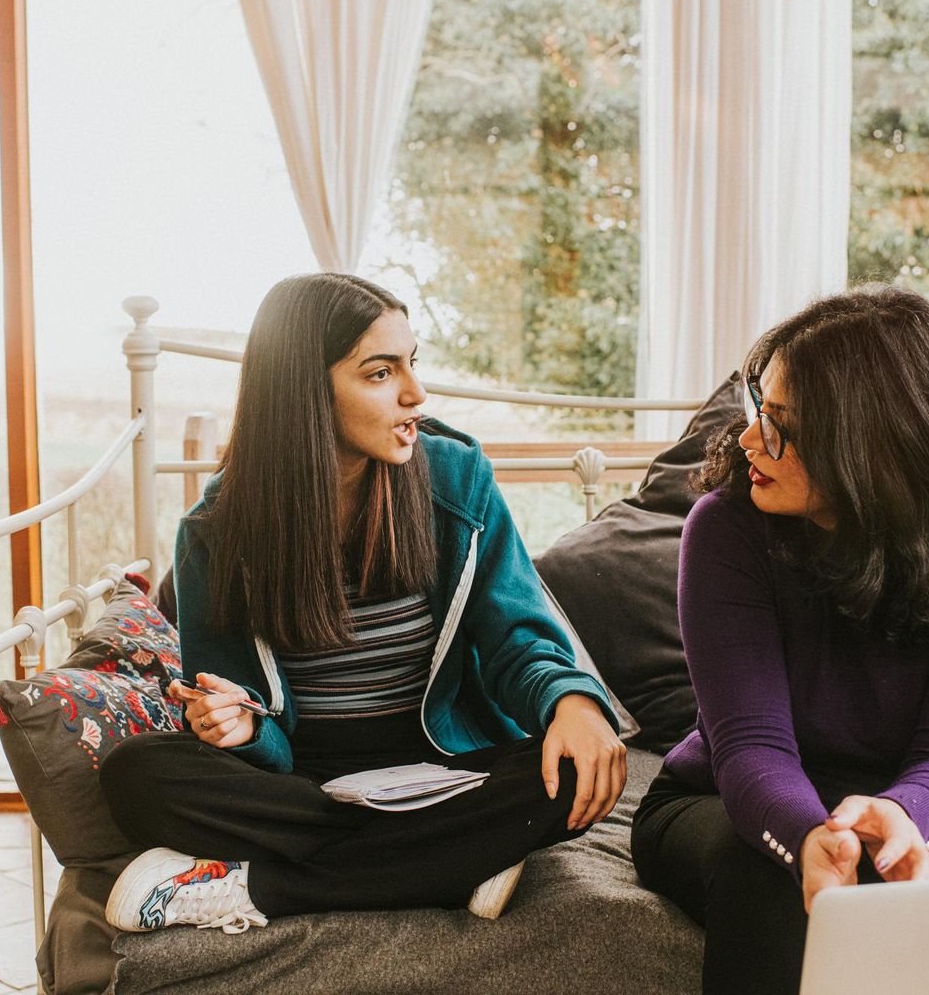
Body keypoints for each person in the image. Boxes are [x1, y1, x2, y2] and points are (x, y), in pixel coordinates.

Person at [100, 272, 627, 934]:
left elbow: (516, 640)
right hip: (306, 780)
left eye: (412, 364)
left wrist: (571, 702)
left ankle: (260, 886)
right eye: (380, 373)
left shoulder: (457, 480)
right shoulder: (215, 536)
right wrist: (240, 725)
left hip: (447, 765)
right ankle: (456, 856)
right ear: (303, 392)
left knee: (577, 771)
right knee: (136, 776)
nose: (415, 394)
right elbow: (245, 713)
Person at [630, 287, 929, 995]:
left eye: (784, 426)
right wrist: (811, 837)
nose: (750, 440)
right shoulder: (727, 528)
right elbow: (752, 747)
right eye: (761, 410)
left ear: (874, 445)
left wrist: (907, 816)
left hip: (910, 795)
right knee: (764, 876)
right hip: (729, 800)